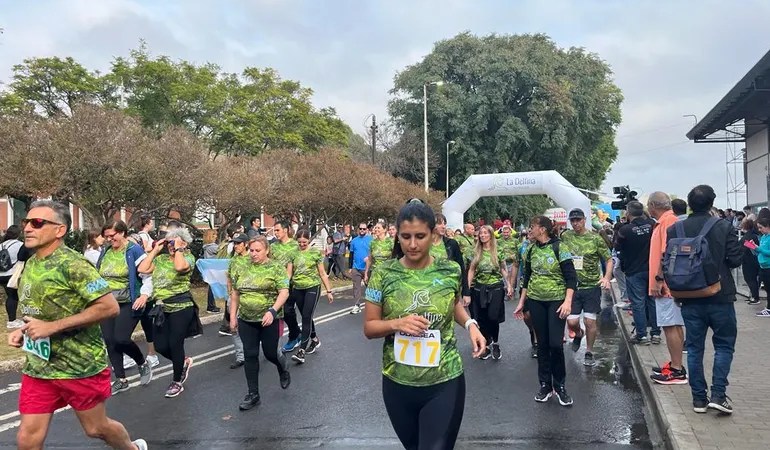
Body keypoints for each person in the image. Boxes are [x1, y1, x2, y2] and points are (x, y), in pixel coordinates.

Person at [10, 200, 147, 450]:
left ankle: (133, 448)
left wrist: (52, 327)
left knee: (96, 428)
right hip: (40, 367)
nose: (28, 228)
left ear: (59, 230)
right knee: (27, 438)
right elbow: (39, 311)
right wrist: (23, 330)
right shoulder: (32, 263)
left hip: (79, 366)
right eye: (26, 222)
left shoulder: (74, 264)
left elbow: (109, 307)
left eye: (37, 223)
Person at [363, 199, 485, 450]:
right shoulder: (383, 274)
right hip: (398, 382)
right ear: (397, 236)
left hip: (445, 380)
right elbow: (370, 327)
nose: (412, 244)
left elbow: (453, 304)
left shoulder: (450, 270)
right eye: (406, 237)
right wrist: (397, 323)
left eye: (420, 236)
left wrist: (471, 324)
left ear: (433, 234)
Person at [669, 185, 741, 414]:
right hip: (720, 295)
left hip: (689, 296)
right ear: (712, 203)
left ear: (689, 204)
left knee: (694, 348)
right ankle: (718, 395)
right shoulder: (724, 226)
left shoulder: (675, 229)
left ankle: (699, 399)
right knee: (724, 345)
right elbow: (735, 259)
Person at [514, 216, 577, 406]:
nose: (529, 230)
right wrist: (521, 302)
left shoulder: (560, 248)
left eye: (532, 227)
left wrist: (567, 302)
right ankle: (545, 385)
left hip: (556, 301)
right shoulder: (530, 249)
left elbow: (571, 277)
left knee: (555, 344)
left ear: (542, 229)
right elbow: (526, 278)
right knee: (542, 344)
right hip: (536, 301)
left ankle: (560, 386)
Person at [229, 236, 291, 411]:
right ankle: (253, 394)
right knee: (250, 355)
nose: (254, 254)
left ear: (267, 250)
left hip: (268, 319)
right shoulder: (242, 266)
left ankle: (282, 366)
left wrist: (273, 310)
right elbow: (235, 293)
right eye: (251, 250)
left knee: (270, 353)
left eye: (258, 250)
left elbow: (284, 292)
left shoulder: (276, 268)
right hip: (246, 319)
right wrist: (232, 316)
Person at [137, 228, 199, 398]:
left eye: (174, 242)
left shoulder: (188, 258)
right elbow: (142, 268)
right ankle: (183, 362)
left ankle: (177, 381)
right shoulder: (161, 259)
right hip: (162, 308)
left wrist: (179, 248)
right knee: (160, 346)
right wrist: (155, 250)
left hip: (181, 307)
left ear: (184, 243)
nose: (170, 245)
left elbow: (179, 267)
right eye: (169, 242)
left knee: (175, 344)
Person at [96, 220, 154, 394]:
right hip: (107, 302)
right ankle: (121, 379)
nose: (109, 239)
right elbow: (98, 276)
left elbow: (147, 275)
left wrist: (144, 295)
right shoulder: (105, 251)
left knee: (121, 338)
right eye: (106, 236)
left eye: (112, 236)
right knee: (109, 341)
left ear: (122, 233)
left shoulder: (134, 250)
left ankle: (142, 362)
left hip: (129, 301)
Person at [561, 208, 613, 367]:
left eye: (578, 220)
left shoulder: (595, 238)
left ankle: (589, 351)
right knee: (571, 322)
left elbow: (609, 259)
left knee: (590, 321)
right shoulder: (566, 236)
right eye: (573, 220)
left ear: (584, 220)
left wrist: (606, 277)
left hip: (591, 286)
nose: (575, 223)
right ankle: (578, 333)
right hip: (572, 287)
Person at [646, 193, 687, 385]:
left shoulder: (668, 222)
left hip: (666, 286)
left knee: (670, 325)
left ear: (653, 205)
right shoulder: (666, 221)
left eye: (648, 205)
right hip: (667, 284)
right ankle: (675, 364)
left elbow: (667, 253)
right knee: (673, 324)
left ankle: (676, 370)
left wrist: (659, 279)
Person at [615, 201, 660, 345]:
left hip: (633, 270)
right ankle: (656, 333)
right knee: (653, 301)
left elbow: (617, 246)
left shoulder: (625, 230)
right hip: (652, 269)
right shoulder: (653, 226)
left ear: (628, 213)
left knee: (638, 303)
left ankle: (642, 335)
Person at [289, 229, 334, 364]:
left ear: (309, 240)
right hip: (298, 288)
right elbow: (289, 274)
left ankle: (301, 351)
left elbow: (322, 273)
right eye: (299, 242)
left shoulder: (315, 253)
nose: (302, 244)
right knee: (305, 316)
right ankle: (314, 339)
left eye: (304, 242)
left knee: (306, 316)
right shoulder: (293, 253)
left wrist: (329, 291)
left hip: (313, 287)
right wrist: (283, 288)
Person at [468, 225, 512, 360]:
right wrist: (467, 289)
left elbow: (503, 269)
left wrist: (509, 285)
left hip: (496, 288)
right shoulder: (476, 251)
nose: (482, 235)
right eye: (480, 233)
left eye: (485, 233)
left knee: (493, 317)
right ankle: (486, 344)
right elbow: (471, 270)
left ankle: (495, 342)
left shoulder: (498, 250)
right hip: (480, 288)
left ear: (491, 235)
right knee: (482, 318)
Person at [271, 222, 303, 353]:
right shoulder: (273, 246)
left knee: (288, 310)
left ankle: (294, 336)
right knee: (281, 312)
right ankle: (297, 334)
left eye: (278, 230)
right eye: (274, 230)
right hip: (276, 284)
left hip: (292, 283)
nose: (275, 233)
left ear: (285, 230)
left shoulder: (295, 245)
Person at [223, 233, 250, 368]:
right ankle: (241, 356)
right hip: (234, 298)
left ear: (246, 244)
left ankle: (251, 352)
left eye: (239, 243)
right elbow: (228, 276)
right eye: (234, 243)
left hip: (248, 298)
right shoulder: (233, 260)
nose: (236, 246)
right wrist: (229, 292)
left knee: (248, 327)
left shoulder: (252, 258)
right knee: (234, 326)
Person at [0, 225, 24, 329]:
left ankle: (12, 319)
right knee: (13, 296)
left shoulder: (1, 245)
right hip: (11, 274)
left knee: (10, 296)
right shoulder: (20, 245)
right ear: (19, 234)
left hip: (1, 275)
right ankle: (12, 321)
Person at [348, 222, 373, 314]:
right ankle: (357, 305)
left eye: (364, 229)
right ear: (358, 229)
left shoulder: (371, 240)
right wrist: (350, 267)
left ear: (366, 230)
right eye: (361, 229)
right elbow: (351, 254)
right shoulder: (354, 241)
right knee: (356, 287)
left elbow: (374, 253)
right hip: (356, 267)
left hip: (367, 268)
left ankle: (373, 305)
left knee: (370, 287)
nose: (362, 230)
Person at [739, 219, 761, 305]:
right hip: (753, 260)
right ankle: (753, 296)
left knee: (750, 279)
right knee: (752, 279)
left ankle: (755, 297)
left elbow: (747, 248)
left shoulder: (747, 237)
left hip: (749, 261)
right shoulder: (753, 235)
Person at [754, 217, 770, 315]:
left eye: (761, 227)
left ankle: (769, 309)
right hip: (763, 266)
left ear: (767, 226)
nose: (759, 230)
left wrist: (759, 249)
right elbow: (761, 250)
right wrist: (754, 248)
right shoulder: (763, 237)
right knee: (767, 289)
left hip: (769, 267)